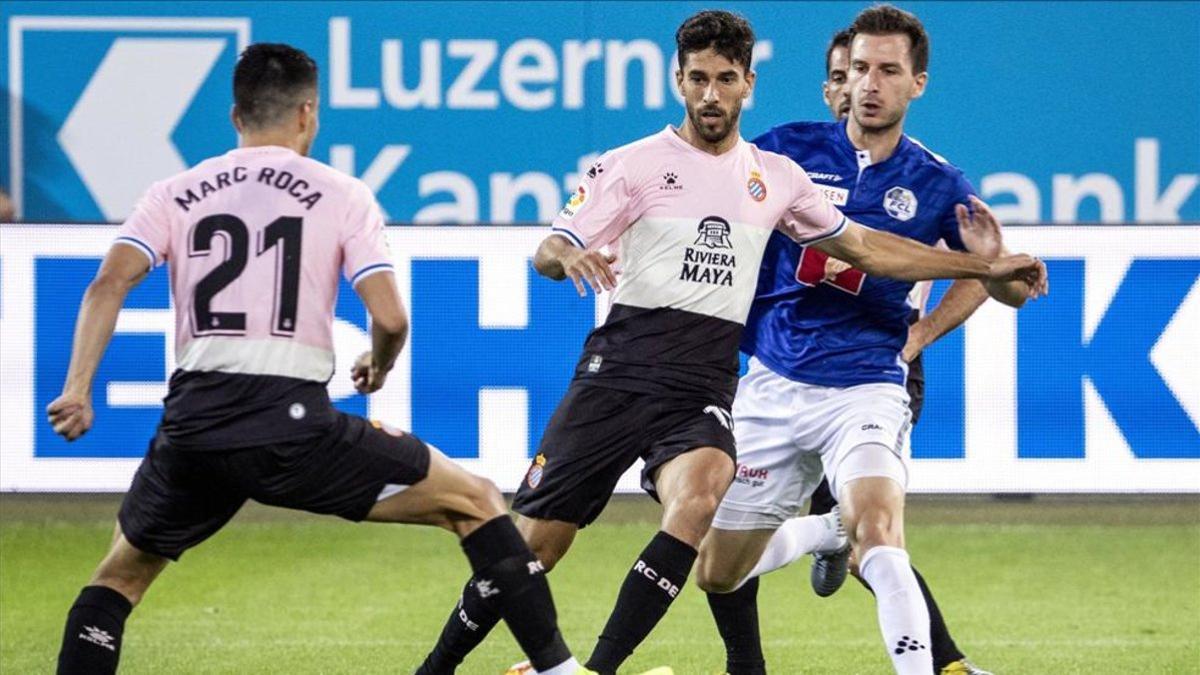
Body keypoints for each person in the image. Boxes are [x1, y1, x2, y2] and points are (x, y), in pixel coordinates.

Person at [415, 10, 1045, 675]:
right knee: (598, 555)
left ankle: (606, 668)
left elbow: (872, 249)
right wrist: (561, 256)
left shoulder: (809, 176)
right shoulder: (662, 162)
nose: (710, 95)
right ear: (677, 80)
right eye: (696, 79)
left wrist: (973, 278)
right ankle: (439, 665)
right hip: (675, 372)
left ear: (748, 82)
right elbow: (555, 243)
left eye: (724, 80)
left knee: (760, 509)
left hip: (765, 382)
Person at [47, 43, 584, 675]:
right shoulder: (339, 194)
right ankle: (560, 671)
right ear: (307, 114)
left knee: (118, 581)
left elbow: (107, 284)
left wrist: (78, 388)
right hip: (290, 424)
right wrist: (380, 364)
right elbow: (389, 317)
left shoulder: (176, 192)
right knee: (476, 502)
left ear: (234, 115)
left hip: (193, 425)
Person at [694, 6, 1032, 674]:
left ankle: (930, 666)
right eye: (859, 70)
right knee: (713, 571)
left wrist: (932, 324)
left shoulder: (938, 182)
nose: (870, 84)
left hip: (868, 385)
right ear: (840, 80)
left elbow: (1006, 285)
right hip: (776, 380)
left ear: (917, 84)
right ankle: (824, 530)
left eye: (888, 70)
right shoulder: (785, 149)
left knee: (880, 532)